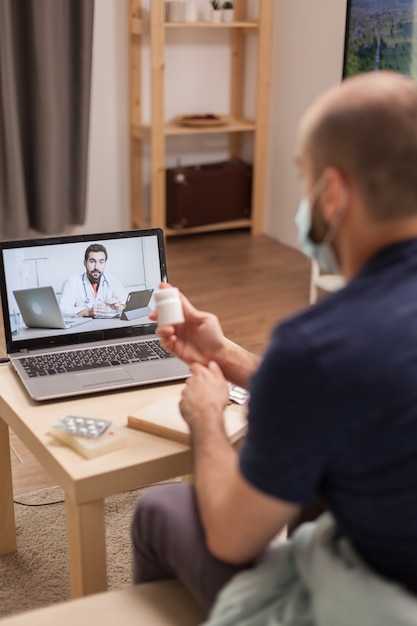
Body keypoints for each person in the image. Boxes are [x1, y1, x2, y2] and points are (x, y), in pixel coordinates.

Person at [131, 71, 417, 622]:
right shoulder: (332, 351)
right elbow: (361, 387)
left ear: (332, 193)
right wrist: (228, 356)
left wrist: (207, 420)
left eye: (302, 179)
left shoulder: (320, 342)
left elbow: (232, 539)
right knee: (308, 486)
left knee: (158, 508)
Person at [60, 243, 127, 318]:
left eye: (101, 262)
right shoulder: (73, 282)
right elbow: (63, 310)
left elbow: (127, 305)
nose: (96, 267)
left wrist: (119, 308)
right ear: (85, 263)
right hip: (85, 328)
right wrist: (87, 312)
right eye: (92, 261)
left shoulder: (113, 280)